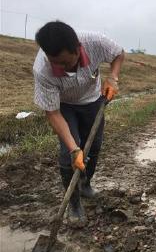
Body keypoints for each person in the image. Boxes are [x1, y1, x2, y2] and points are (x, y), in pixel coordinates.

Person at [33, 21, 124, 224]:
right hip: (64, 106)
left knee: (94, 146)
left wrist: (113, 78)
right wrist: (74, 148)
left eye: (66, 62)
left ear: (78, 48)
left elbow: (119, 53)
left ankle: (85, 184)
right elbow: (53, 113)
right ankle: (73, 204)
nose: (61, 68)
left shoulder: (95, 42)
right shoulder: (42, 69)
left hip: (92, 100)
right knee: (69, 155)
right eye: (56, 63)